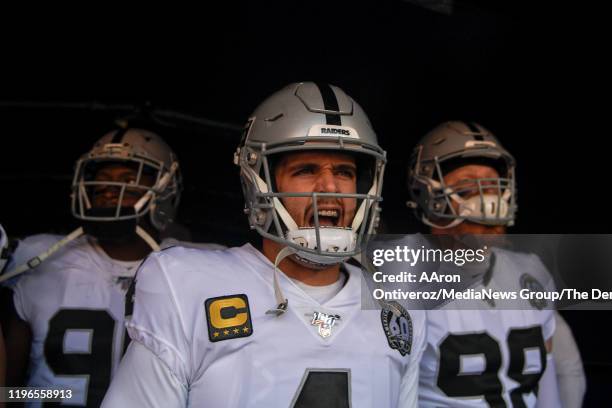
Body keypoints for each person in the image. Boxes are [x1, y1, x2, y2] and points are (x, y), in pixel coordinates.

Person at [102, 82, 427, 408]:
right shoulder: (184, 285)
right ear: (258, 183)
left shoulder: (401, 308)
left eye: (344, 171)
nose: (329, 187)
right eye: (306, 170)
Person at [0, 128, 188, 407]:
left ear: (164, 191)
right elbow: (7, 393)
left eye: (127, 180)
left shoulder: (191, 266)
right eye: (102, 182)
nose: (110, 192)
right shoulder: (38, 258)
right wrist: (57, 394)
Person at [405, 121, 566, 407]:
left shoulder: (532, 272)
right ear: (428, 196)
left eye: (493, 187)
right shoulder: (400, 278)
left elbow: (547, 382)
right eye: (468, 189)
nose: (488, 201)